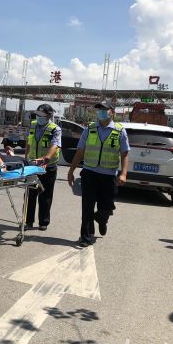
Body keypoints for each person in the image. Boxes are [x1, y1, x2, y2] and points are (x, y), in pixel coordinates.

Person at [67, 100, 129, 247]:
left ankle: (102, 219)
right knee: (87, 206)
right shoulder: (89, 129)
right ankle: (86, 237)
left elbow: (124, 153)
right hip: (89, 173)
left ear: (112, 112)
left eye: (104, 109)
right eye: (99, 109)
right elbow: (80, 152)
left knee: (106, 206)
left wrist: (123, 173)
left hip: (108, 176)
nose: (101, 112)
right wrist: (71, 171)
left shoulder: (120, 131)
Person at [24, 104, 62, 231]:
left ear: (49, 116)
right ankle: (28, 221)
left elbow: (55, 145)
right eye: (37, 115)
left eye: (42, 115)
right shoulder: (33, 125)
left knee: (45, 195)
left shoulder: (55, 129)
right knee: (30, 194)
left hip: (48, 166)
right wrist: (26, 157)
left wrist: (46, 158)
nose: (39, 117)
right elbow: (29, 142)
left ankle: (43, 221)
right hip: (32, 165)